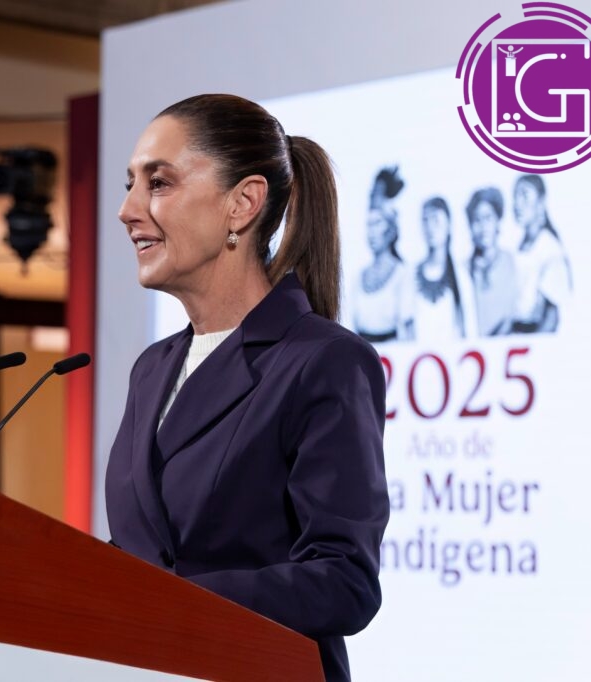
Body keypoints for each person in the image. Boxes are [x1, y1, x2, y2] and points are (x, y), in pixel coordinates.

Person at [106, 94, 389, 682]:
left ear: (242, 203)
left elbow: (345, 581)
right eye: (130, 184)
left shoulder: (324, 361)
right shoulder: (151, 369)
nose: (128, 210)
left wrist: (164, 603)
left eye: (158, 183)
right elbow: (141, 551)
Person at [351, 167, 414, 342]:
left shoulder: (402, 273)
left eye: (377, 223)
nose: (372, 232)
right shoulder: (358, 277)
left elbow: (409, 333)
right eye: (369, 225)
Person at [511, 174, 571, 332]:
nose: (517, 204)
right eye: (515, 196)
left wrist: (535, 343)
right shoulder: (520, 247)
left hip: (535, 334)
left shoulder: (549, 248)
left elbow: (551, 316)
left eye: (524, 196)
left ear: (541, 202)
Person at [410, 197, 472, 340]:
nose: (430, 228)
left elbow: (469, 328)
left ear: (448, 225)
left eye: (436, 220)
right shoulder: (411, 274)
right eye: (425, 220)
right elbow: (405, 325)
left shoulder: (461, 275)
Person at [465, 187, 516, 336]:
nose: (483, 227)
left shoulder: (511, 262)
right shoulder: (464, 270)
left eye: (488, 218)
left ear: (497, 221)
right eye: (477, 220)